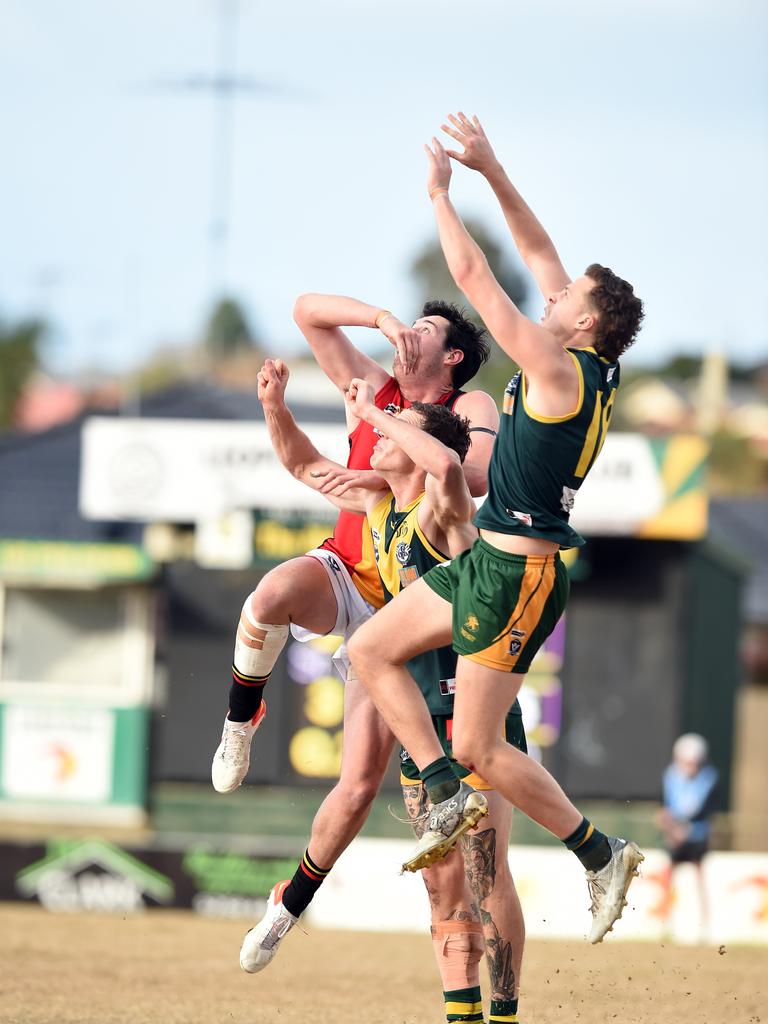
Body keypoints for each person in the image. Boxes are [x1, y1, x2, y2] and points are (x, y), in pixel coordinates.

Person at [349, 113, 646, 944]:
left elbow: (478, 276)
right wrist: (493, 168)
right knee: (370, 649)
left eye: (566, 299)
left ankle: (599, 853)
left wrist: (443, 194)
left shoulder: (554, 365)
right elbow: (541, 250)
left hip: (519, 574)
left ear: (584, 324)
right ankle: (443, 792)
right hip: (486, 560)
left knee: (482, 742)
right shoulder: (587, 354)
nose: (552, 296)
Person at [240, 361, 526, 1024]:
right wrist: (275, 406)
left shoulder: (445, 507)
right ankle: (463, 1016)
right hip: (418, 720)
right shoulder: (377, 505)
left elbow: (453, 467)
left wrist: (377, 413)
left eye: (400, 428)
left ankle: (506, 1012)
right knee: (442, 890)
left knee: (487, 880)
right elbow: (306, 467)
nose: (383, 435)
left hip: (473, 713)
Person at [656, 733, 718, 935]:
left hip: (697, 836)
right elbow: (666, 808)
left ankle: (705, 926)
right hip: (675, 836)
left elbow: (705, 812)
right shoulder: (670, 777)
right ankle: (665, 923)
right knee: (669, 877)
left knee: (700, 878)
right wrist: (670, 827)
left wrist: (687, 830)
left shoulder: (708, 779)